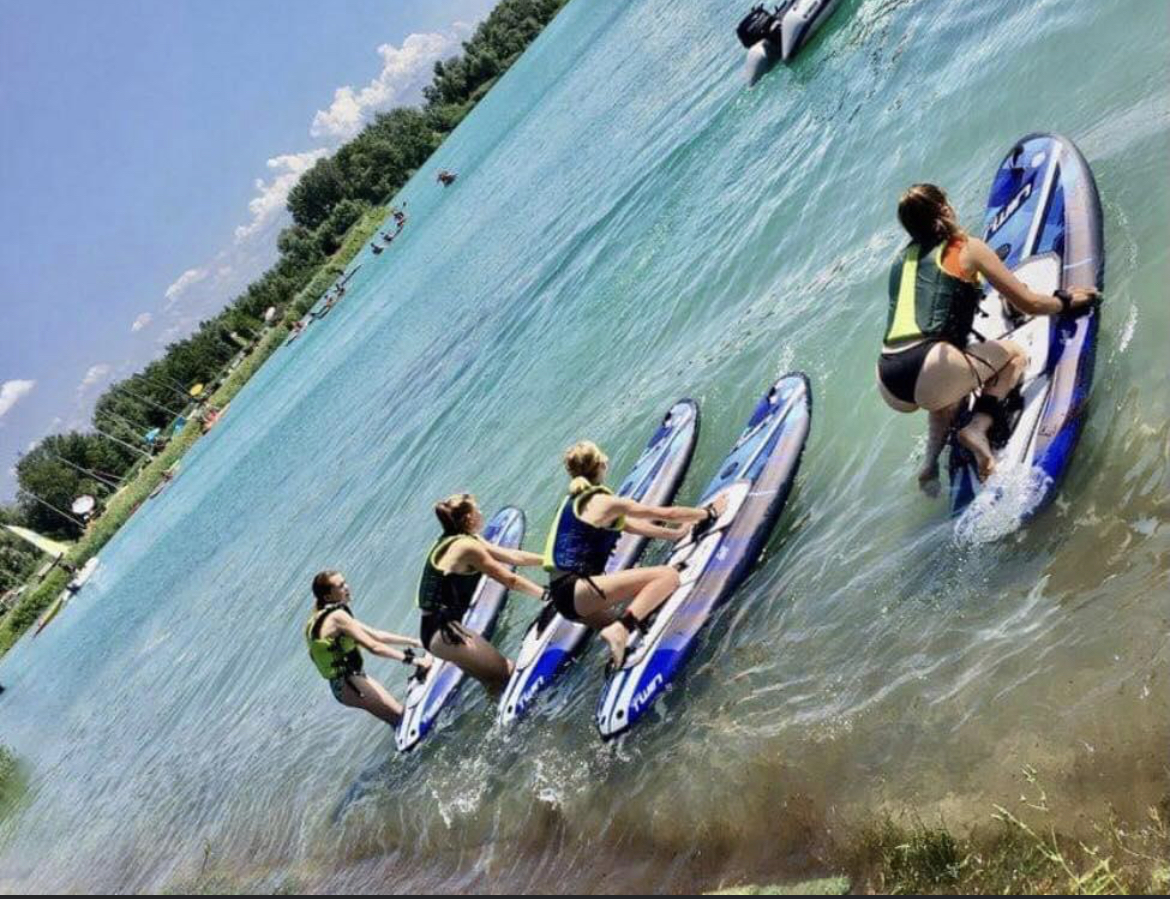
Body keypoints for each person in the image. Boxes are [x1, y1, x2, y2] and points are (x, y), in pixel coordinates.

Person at [877, 183, 1099, 488]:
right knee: (1014, 355)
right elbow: (1029, 303)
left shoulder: (901, 261)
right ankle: (977, 428)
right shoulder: (965, 247)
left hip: (889, 379)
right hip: (928, 366)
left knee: (943, 394)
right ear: (944, 209)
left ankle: (929, 464)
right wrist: (1065, 301)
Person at [543, 441, 728, 667]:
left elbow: (632, 526)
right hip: (576, 590)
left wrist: (675, 535)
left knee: (636, 623)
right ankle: (620, 630)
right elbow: (665, 512)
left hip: (564, 602)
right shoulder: (603, 501)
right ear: (601, 463)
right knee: (667, 577)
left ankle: (620, 643)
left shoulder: (573, 503)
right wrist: (708, 512)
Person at [417, 494, 546, 694]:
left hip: (436, 633)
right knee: (507, 672)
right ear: (469, 518)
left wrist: (547, 559)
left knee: (494, 683)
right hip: (445, 632)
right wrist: (545, 595)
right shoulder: (466, 547)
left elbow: (511, 556)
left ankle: (502, 723)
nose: (481, 513)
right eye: (477, 510)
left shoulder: (460, 539)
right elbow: (509, 580)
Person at [306, 571, 430, 726]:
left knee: (397, 720)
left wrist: (414, 641)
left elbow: (375, 635)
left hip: (345, 683)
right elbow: (374, 646)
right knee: (401, 717)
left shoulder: (322, 617)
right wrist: (414, 660)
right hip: (349, 683)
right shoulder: (337, 617)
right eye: (340, 586)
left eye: (345, 582)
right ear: (328, 597)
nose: (347, 588)